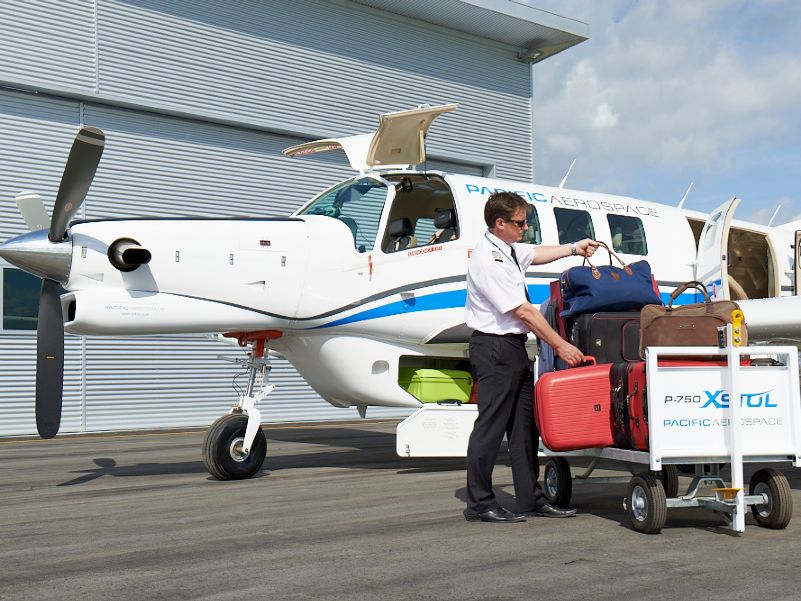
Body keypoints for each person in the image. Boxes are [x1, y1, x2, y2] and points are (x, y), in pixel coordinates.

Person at [463, 191, 599, 523]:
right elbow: (524, 311)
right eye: (520, 223)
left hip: (512, 349)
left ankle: (530, 498)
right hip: (494, 348)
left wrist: (573, 248)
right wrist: (559, 345)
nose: (525, 228)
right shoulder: (488, 259)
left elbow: (535, 254)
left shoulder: (506, 249)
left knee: (525, 429)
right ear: (500, 223)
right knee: (491, 429)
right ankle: (479, 504)